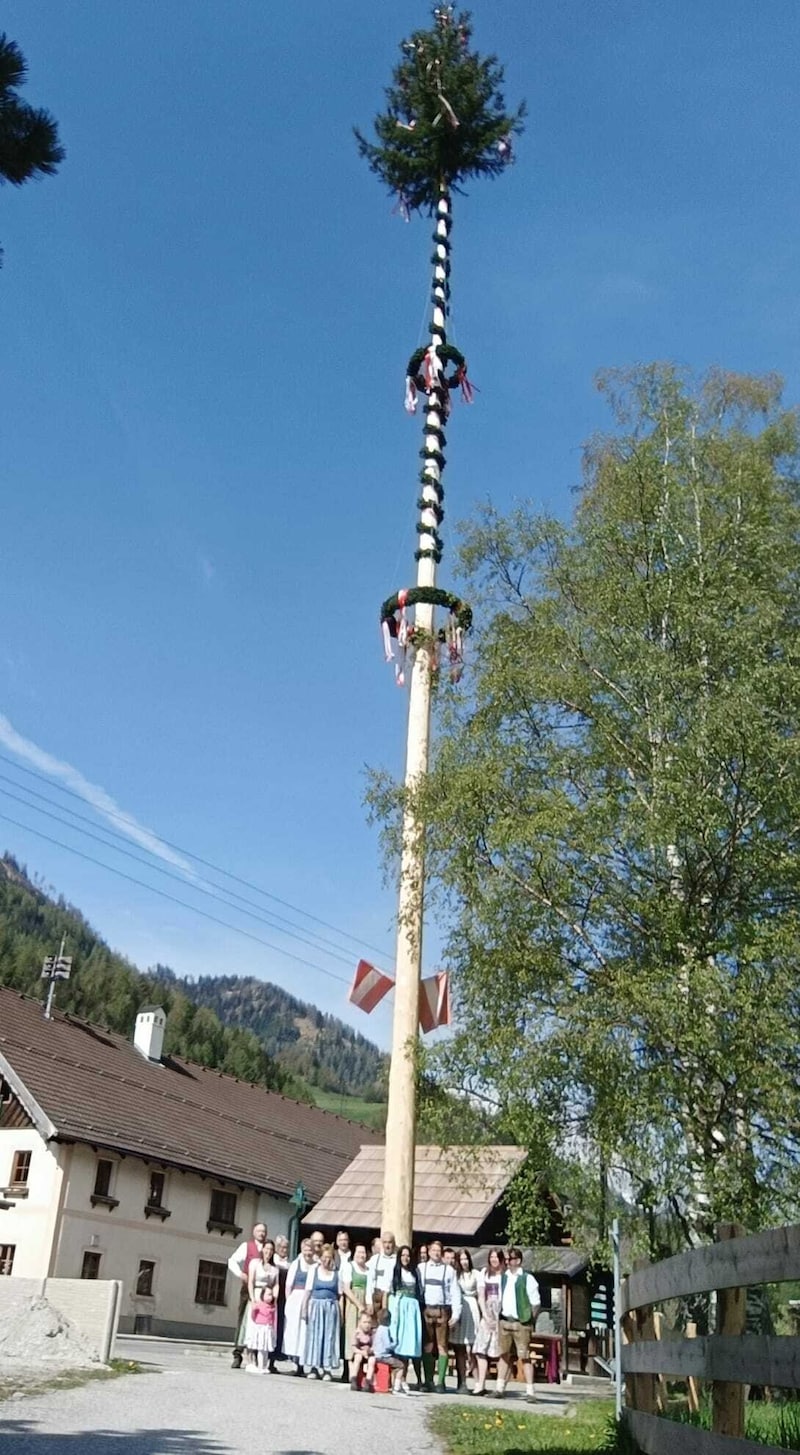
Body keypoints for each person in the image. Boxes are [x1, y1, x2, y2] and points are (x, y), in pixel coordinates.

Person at [496, 1247, 541, 1403]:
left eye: (511, 1259)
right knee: (504, 1354)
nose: (508, 1262)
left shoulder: (527, 1278)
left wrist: (529, 1320)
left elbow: (536, 1303)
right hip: (505, 1320)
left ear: (518, 1261)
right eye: (507, 1259)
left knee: (525, 1356)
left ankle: (530, 1392)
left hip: (521, 1322)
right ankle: (499, 1388)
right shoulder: (504, 1278)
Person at [419, 1238, 462, 1392]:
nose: (436, 1253)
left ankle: (441, 1382)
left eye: (439, 1251)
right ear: (429, 1252)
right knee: (428, 1346)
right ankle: (428, 1380)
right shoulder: (421, 1268)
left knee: (442, 1346)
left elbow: (455, 1293)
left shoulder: (449, 1270)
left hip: (443, 1310)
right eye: (433, 1250)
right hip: (427, 1310)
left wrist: (456, 1314)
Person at [227, 1221, 268, 1369]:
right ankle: (238, 1353)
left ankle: (256, 1354)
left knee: (260, 1322)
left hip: (262, 1292)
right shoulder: (247, 1246)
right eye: (259, 1231)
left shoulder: (268, 1249)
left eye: (263, 1231)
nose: (262, 1234)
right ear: (253, 1232)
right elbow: (232, 1261)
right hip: (247, 1289)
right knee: (242, 1319)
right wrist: (240, 1274)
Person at [302, 1242, 343, 1380]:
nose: (326, 1260)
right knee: (315, 1336)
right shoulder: (314, 1270)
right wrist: (304, 1309)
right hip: (316, 1306)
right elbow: (307, 1292)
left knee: (329, 1337)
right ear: (320, 1257)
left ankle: (327, 1368)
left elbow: (340, 1295)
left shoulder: (336, 1273)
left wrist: (341, 1314)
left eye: (329, 1257)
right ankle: (313, 1367)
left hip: (331, 1307)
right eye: (324, 1257)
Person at [388, 1244, 422, 1394]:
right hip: (399, 1306)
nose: (405, 1258)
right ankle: (396, 1378)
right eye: (403, 1255)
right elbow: (388, 1292)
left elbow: (419, 1291)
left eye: (408, 1255)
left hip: (411, 1307)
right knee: (398, 1342)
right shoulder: (395, 1271)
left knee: (408, 1343)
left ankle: (404, 1378)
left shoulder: (415, 1272)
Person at [471, 1248, 505, 1396]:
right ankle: (480, 1383)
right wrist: (485, 1315)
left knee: (500, 1350)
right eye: (491, 1257)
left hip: (501, 1314)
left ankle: (499, 1386)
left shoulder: (505, 1276)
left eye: (496, 1257)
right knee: (481, 1350)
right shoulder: (484, 1273)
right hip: (487, 1313)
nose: (494, 1260)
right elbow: (480, 1296)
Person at [245, 1240, 279, 1374]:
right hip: (257, 1295)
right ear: (262, 1249)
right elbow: (250, 1282)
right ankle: (249, 1360)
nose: (268, 1252)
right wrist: (253, 1299)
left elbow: (276, 1284)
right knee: (252, 1329)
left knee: (263, 1330)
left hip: (267, 1297)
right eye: (267, 1249)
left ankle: (261, 1363)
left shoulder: (274, 1269)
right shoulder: (255, 1263)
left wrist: (274, 1298)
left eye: (271, 1250)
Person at [284, 1238, 317, 1376]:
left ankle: (303, 1363)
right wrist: (289, 1303)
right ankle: (295, 1362)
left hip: (309, 1300)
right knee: (294, 1331)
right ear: (302, 1250)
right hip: (296, 1298)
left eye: (310, 1249)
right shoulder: (296, 1264)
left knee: (305, 1331)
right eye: (305, 1249)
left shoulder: (316, 1265)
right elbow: (288, 1285)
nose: (308, 1252)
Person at [450, 1248, 480, 1391]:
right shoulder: (455, 1275)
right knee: (460, 1348)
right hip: (460, 1308)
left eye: (466, 1259)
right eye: (461, 1259)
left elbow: (480, 1293)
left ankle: (478, 1382)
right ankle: (461, 1381)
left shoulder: (476, 1274)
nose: (464, 1262)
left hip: (473, 1309)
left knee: (474, 1349)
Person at [340, 1242, 369, 1382]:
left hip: (364, 1303)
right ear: (354, 1253)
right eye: (359, 1252)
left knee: (364, 1335)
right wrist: (358, 1304)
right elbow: (346, 1289)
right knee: (352, 1334)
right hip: (353, 1304)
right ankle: (348, 1370)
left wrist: (367, 1305)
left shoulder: (368, 1270)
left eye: (363, 1253)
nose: (361, 1255)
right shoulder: (349, 1266)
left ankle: (359, 1371)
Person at [372, 1306, 406, 1395]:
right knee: (400, 1365)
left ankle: (392, 1383)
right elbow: (387, 1346)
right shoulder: (385, 1330)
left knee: (394, 1361)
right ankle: (397, 1387)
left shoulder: (378, 1329)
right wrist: (395, 1343)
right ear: (389, 1321)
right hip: (383, 1356)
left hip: (376, 1354)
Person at [366, 1230, 397, 1313]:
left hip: (391, 1299)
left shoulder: (397, 1261)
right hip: (377, 1298)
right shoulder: (375, 1259)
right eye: (385, 1242)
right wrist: (369, 1302)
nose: (387, 1245)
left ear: (394, 1243)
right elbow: (369, 1281)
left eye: (390, 1242)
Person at [273, 1235, 290, 1364]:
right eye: (282, 1247)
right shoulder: (273, 1261)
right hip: (274, 1298)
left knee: (280, 1327)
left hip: (284, 1299)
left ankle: (275, 1356)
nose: (284, 1250)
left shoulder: (289, 1264)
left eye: (286, 1247)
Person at [349, 1311, 375, 1391]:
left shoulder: (372, 1333)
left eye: (369, 1323)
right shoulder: (357, 1333)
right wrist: (361, 1352)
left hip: (368, 1353)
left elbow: (375, 1346)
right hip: (359, 1352)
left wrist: (370, 1351)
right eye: (364, 1322)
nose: (367, 1325)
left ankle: (368, 1381)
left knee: (372, 1361)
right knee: (358, 1358)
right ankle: (354, 1379)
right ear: (359, 1323)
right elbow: (354, 1348)